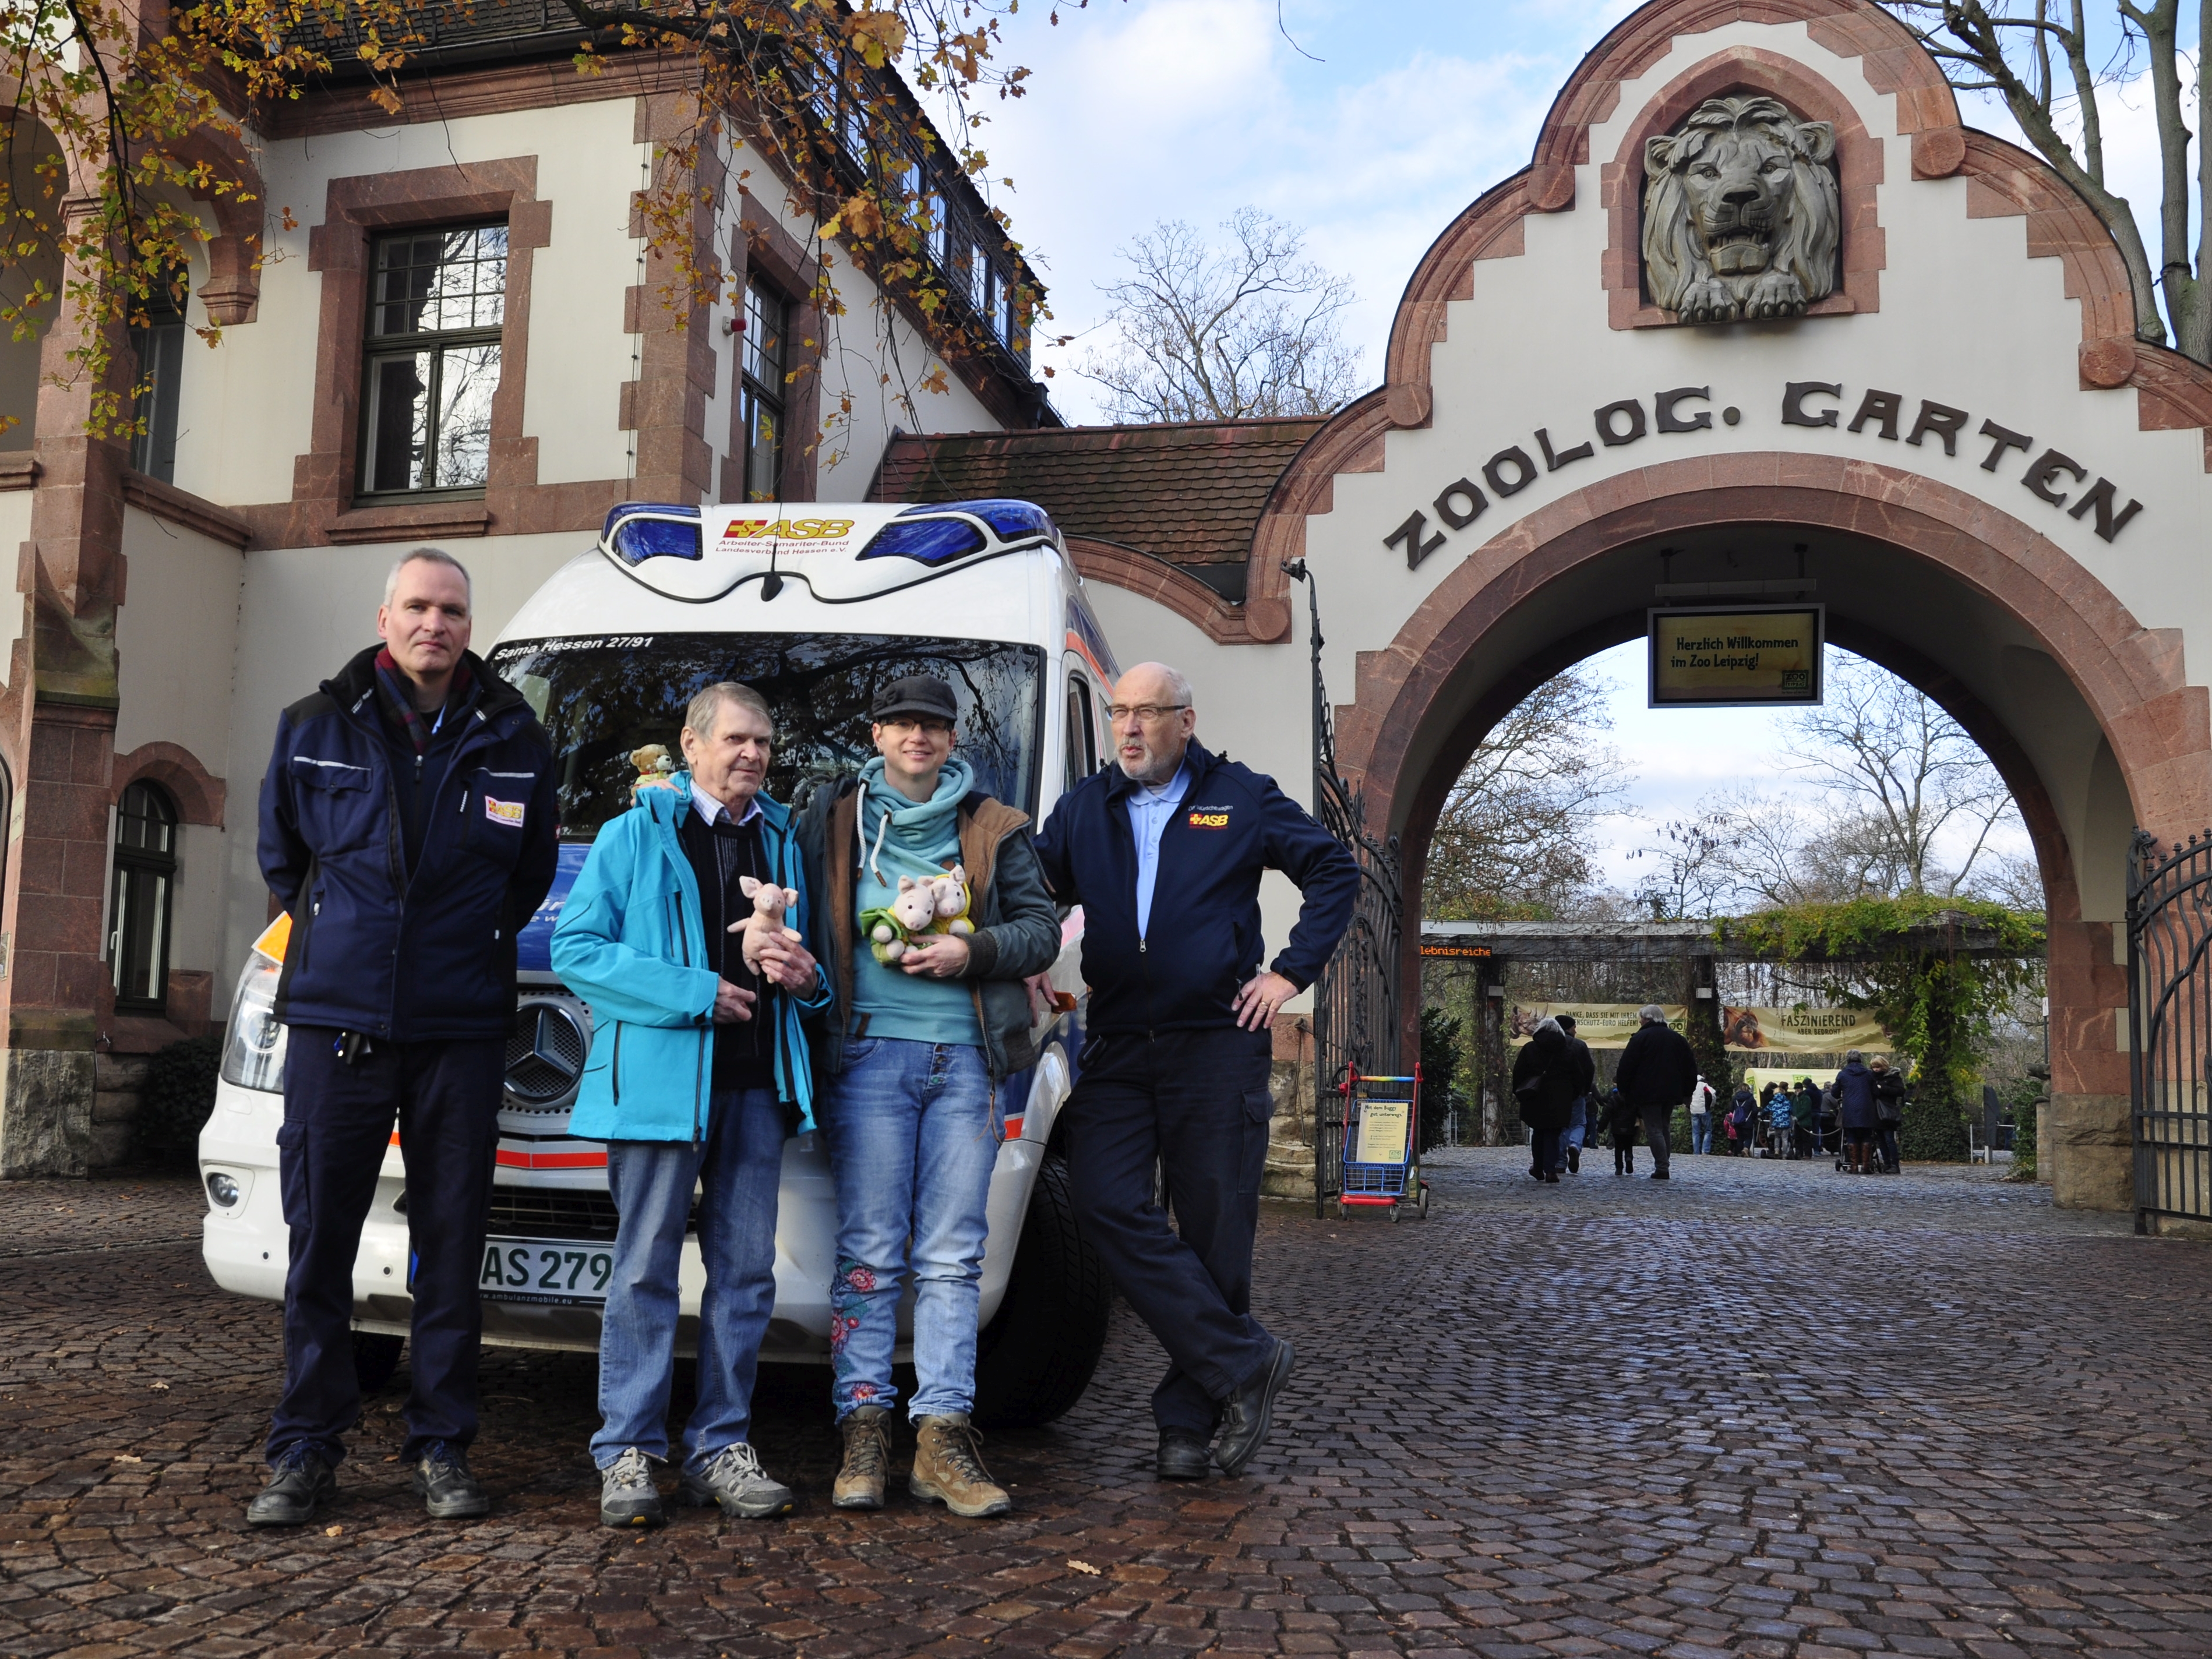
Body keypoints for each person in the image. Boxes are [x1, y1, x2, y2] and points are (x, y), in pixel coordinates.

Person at [249, 549, 558, 1527]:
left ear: (471, 623)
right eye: (419, 606)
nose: (437, 622)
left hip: (461, 1030)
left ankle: (441, 1445)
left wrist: (450, 946)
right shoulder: (312, 726)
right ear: (386, 615)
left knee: (450, 1246)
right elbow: (284, 860)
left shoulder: (514, 735)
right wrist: (356, 936)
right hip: (336, 1024)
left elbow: (528, 873)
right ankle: (305, 1445)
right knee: (320, 1246)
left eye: (454, 609)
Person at [1033, 662, 1357, 1482]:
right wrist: (1028, 955)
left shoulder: (1240, 797)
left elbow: (1334, 872)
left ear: (1186, 719)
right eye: (1119, 713)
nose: (1131, 728)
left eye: (1148, 712)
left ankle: (1188, 1418)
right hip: (1118, 1044)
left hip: (1217, 1040)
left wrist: (1288, 973)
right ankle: (1245, 1360)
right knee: (1106, 1203)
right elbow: (1028, 888)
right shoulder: (1083, 808)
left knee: (1215, 1232)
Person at [552, 682, 830, 1528]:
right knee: (642, 1271)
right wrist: (693, 992)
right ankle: (629, 1450)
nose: (752, 755)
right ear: (692, 744)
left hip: (755, 1091)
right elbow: (577, 950)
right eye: (738, 739)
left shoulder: (784, 838)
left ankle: (720, 1447)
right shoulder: (632, 833)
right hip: (660, 1095)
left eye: (765, 744)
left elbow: (811, 979)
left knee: (744, 1276)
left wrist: (808, 982)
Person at [795, 676, 1061, 1519]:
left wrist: (971, 952)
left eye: (934, 727)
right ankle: (863, 1430)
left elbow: (1041, 931)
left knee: (952, 1254)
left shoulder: (992, 826)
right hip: (867, 1059)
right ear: (876, 733)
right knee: (870, 1253)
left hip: (965, 1062)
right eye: (904, 722)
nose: (919, 737)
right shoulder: (830, 820)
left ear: (952, 741)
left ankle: (942, 1436)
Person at [1613, 1005, 1696, 1180]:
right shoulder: (1678, 1039)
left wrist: (1623, 1089)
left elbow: (1626, 1066)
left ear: (1647, 1019)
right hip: (1672, 1092)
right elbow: (1690, 1068)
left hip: (1647, 1092)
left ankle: (1662, 1166)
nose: (1640, 1022)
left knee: (1654, 1129)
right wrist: (1688, 1092)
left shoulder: (1640, 1038)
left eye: (1641, 1019)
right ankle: (1664, 1163)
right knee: (1664, 1127)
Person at [1512, 1018, 1577, 1184]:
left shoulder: (1530, 1049)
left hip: (1535, 1096)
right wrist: (1573, 1095)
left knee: (1538, 1132)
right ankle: (1551, 1170)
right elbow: (1578, 1075)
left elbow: (1518, 1072)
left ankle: (1538, 1167)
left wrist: (1519, 1093)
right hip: (1560, 1098)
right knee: (1553, 1134)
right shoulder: (1567, 1050)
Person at [1557, 1015, 1597, 1174]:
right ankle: (1575, 1145)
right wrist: (1585, 1089)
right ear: (1568, 1028)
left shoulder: (1550, 1044)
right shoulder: (1580, 1045)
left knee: (1560, 1127)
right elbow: (1590, 1068)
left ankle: (1560, 1162)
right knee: (1579, 1124)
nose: (1576, 1030)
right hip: (1577, 1092)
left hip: (1556, 1093)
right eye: (1574, 1027)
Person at [1833, 1050, 1879, 1174]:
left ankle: (1853, 1166)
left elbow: (1835, 1093)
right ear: (1860, 1059)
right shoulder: (1869, 1074)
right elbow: (1876, 1092)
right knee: (1867, 1136)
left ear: (1848, 1059)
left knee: (1851, 1136)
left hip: (1850, 1109)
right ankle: (1865, 1166)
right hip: (1867, 1109)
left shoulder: (1842, 1074)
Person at [1871, 1057, 1906, 1174]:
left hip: (1888, 1111)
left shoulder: (1893, 1077)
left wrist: (1883, 1088)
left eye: (1878, 1067)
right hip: (1876, 1112)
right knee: (1881, 1140)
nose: (1876, 1070)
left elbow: (1900, 1091)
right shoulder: (1872, 1078)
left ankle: (1894, 1164)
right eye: (1874, 1067)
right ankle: (1887, 1163)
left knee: (1889, 1139)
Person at [1604, 1084, 1639, 1174]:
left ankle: (1619, 1167)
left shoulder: (1614, 1099)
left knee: (1618, 1148)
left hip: (1617, 1128)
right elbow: (1640, 1113)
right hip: (1630, 1128)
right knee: (1628, 1146)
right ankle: (1629, 1158)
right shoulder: (1634, 1100)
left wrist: (1601, 1128)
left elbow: (1606, 1114)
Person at [1689, 1073, 1716, 1155]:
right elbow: (1713, 1094)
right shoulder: (1704, 1085)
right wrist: (1711, 1105)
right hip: (1704, 1110)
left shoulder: (1691, 1085)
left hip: (1694, 1110)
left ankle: (1696, 1152)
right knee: (1708, 1131)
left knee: (1695, 1132)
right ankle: (1705, 1151)